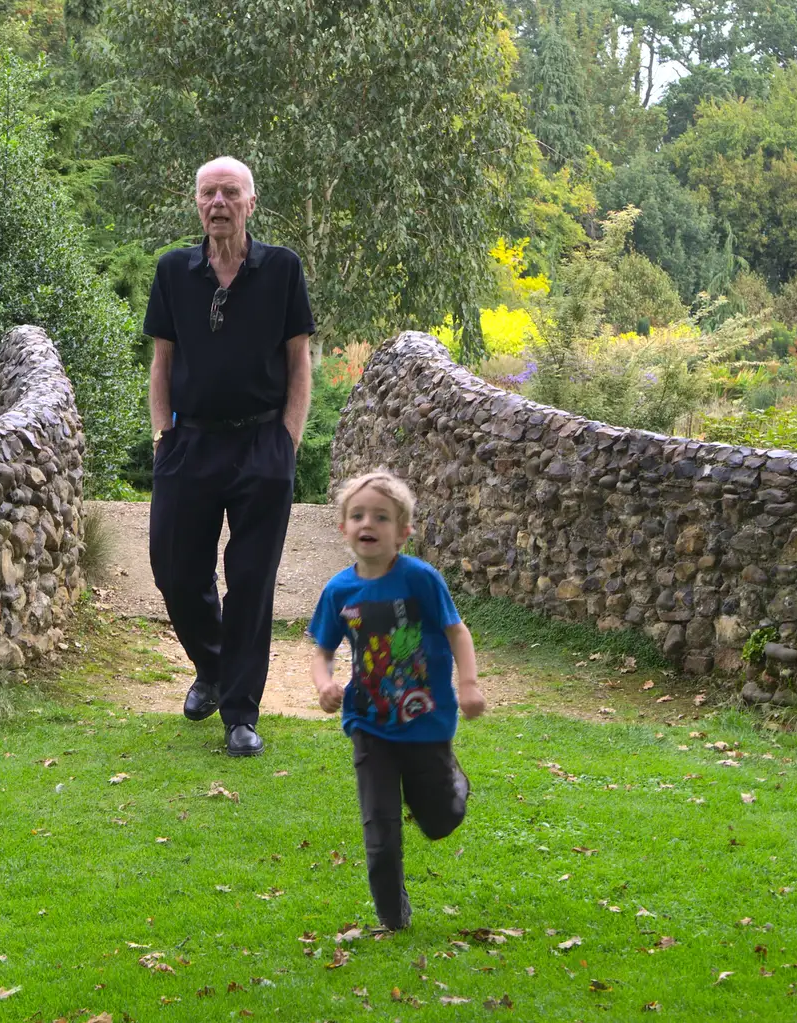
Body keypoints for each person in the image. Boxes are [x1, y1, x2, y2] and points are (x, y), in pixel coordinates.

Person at [143, 156, 315, 758]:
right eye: (207, 193)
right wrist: (163, 434)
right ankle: (212, 667)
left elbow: (299, 362)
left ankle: (240, 712)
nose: (218, 202)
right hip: (189, 442)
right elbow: (161, 362)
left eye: (229, 193)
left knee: (250, 580)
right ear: (197, 203)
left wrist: (288, 440)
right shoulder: (173, 271)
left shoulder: (282, 269)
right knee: (171, 563)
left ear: (250, 202)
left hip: (261, 443)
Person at [308, 470, 487, 930]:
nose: (369, 523)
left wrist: (467, 685)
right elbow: (322, 650)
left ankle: (452, 781)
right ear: (343, 527)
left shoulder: (421, 579)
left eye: (382, 517)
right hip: (369, 723)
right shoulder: (337, 591)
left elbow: (457, 631)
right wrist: (323, 682)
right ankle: (392, 918)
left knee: (439, 821)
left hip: (426, 721)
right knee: (380, 829)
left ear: (403, 531)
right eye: (359, 515)